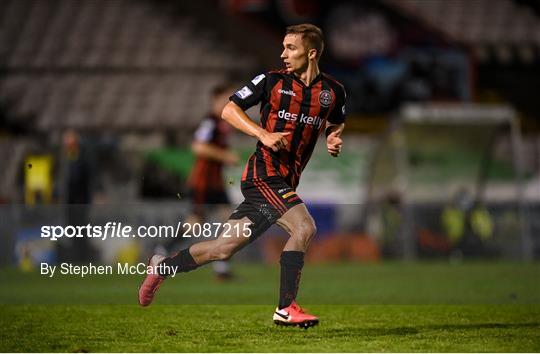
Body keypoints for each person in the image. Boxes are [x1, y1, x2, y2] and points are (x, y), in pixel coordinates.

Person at [139, 24, 346, 329]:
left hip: (284, 181)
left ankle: (163, 267)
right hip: (264, 175)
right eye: (284, 47)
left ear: (311, 52)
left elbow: (336, 121)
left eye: (291, 48)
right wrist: (262, 133)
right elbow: (228, 109)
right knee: (304, 226)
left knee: (223, 248)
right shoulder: (272, 81)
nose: (283, 53)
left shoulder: (333, 92)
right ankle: (285, 308)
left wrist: (332, 137)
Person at [164, 84, 239, 280]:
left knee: (229, 220)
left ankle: (222, 269)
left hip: (215, 182)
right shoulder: (210, 121)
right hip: (203, 181)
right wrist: (224, 155)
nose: (228, 103)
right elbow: (198, 147)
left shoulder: (223, 122)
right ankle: (162, 250)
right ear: (215, 100)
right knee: (195, 223)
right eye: (225, 99)